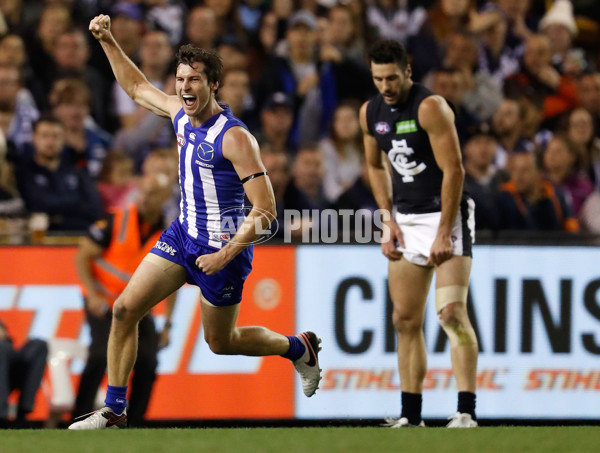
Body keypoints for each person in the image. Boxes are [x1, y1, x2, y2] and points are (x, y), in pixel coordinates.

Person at [69, 14, 321, 430]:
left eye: (195, 81)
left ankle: (297, 347)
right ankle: (114, 411)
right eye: (180, 79)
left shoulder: (235, 138)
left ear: (214, 85)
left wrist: (225, 254)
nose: (184, 88)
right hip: (182, 236)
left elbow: (266, 212)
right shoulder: (179, 114)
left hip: (223, 250)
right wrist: (107, 39)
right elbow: (135, 87)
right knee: (123, 309)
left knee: (222, 342)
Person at [360, 39, 478, 428]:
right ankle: (411, 415)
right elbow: (375, 166)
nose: (385, 86)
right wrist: (387, 219)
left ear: (407, 70)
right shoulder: (370, 113)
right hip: (406, 219)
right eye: (378, 78)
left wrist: (444, 231)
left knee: (450, 313)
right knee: (404, 320)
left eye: (391, 77)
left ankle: (465, 410)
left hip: (446, 215)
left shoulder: (430, 107)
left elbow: (454, 169)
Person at [72, 173, 176, 427]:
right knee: (98, 355)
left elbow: (173, 283)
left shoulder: (169, 232)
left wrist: (168, 324)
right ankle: (79, 414)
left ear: (164, 199)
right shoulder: (116, 220)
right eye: (143, 191)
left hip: (137, 306)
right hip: (103, 300)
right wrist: (93, 294)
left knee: (149, 360)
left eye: (152, 194)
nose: (145, 198)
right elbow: (82, 256)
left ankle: (135, 423)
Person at [0, 319, 48, 428]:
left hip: (10, 364)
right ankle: (1, 417)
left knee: (39, 345)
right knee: (2, 348)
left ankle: (23, 411)